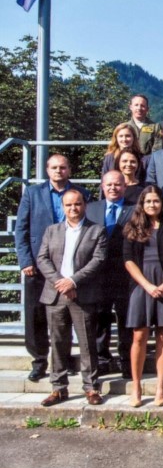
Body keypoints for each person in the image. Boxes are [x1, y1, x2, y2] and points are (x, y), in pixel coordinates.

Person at [15, 154, 90, 382]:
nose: (59, 171)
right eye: (54, 167)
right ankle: (39, 361)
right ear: (47, 170)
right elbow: (21, 229)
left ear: (69, 170)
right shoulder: (32, 193)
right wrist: (26, 261)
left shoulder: (81, 194)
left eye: (63, 167)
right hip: (39, 266)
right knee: (36, 316)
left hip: (71, 266)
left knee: (68, 316)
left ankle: (64, 360)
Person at [36, 190, 108, 407]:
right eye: (68, 205)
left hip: (82, 294)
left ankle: (91, 387)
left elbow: (98, 260)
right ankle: (58, 388)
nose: (73, 208)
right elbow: (42, 259)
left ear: (84, 205)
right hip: (56, 294)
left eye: (77, 204)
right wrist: (61, 282)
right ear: (63, 207)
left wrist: (73, 282)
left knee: (87, 342)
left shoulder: (96, 230)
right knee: (58, 342)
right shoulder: (52, 230)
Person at [122, 186, 163, 407]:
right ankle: (136, 386)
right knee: (139, 336)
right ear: (142, 204)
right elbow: (128, 260)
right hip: (141, 285)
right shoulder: (132, 227)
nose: (152, 205)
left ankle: (161, 386)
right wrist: (147, 286)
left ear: (162, 203)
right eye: (148, 201)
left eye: (156, 201)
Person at [85, 171, 133, 378]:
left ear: (125, 186)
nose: (113, 188)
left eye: (118, 184)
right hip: (98, 275)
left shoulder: (135, 209)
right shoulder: (91, 208)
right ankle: (103, 359)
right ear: (102, 187)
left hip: (126, 274)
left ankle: (127, 360)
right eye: (109, 185)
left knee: (126, 320)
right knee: (100, 318)